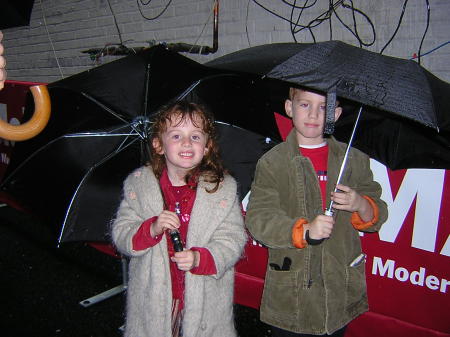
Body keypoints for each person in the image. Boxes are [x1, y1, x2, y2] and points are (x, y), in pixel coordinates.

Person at [245, 87, 388, 337]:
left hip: (338, 292)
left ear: (336, 114)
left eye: (324, 107)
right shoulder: (272, 162)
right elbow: (259, 218)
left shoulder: (353, 159)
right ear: (289, 108)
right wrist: (304, 230)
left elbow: (378, 211)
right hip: (292, 296)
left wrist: (361, 204)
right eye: (304, 105)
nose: (314, 114)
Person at [111, 100, 247, 337]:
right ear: (158, 145)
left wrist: (199, 258)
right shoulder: (139, 185)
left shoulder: (222, 189)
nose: (186, 142)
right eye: (176, 136)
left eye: (196, 136)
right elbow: (122, 233)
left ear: (207, 146)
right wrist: (151, 228)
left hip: (205, 303)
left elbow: (233, 239)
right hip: (154, 304)